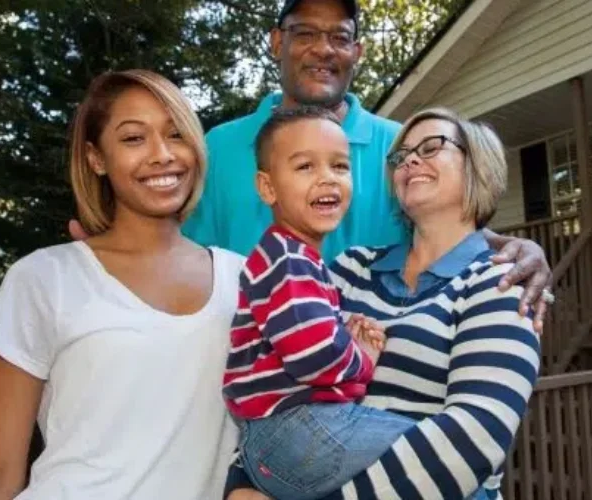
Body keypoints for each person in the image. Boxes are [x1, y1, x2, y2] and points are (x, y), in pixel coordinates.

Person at [177, 0, 555, 332]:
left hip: (374, 374)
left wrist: (512, 246)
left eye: (340, 38)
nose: (323, 49)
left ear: (357, 52)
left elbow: (445, 226)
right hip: (256, 381)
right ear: (278, 42)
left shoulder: (401, 148)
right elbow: (185, 255)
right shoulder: (221, 147)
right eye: (306, 32)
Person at [229, 107, 541, 500]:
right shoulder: (349, 268)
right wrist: (240, 484)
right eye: (400, 156)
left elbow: (475, 438)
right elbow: (284, 401)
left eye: (431, 146)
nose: (410, 159)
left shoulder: (503, 283)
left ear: (479, 165)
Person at [0, 70, 242, 499]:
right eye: (133, 138)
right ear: (96, 159)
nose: (162, 154)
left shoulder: (247, 279)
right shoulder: (44, 278)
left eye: (176, 134)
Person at [225, 106, 444, 500]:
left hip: (286, 435)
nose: (327, 178)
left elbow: (300, 332)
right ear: (267, 187)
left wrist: (340, 325)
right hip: (292, 431)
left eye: (340, 166)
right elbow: (313, 354)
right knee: (437, 450)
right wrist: (361, 358)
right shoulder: (288, 259)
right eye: (305, 166)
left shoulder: (298, 260)